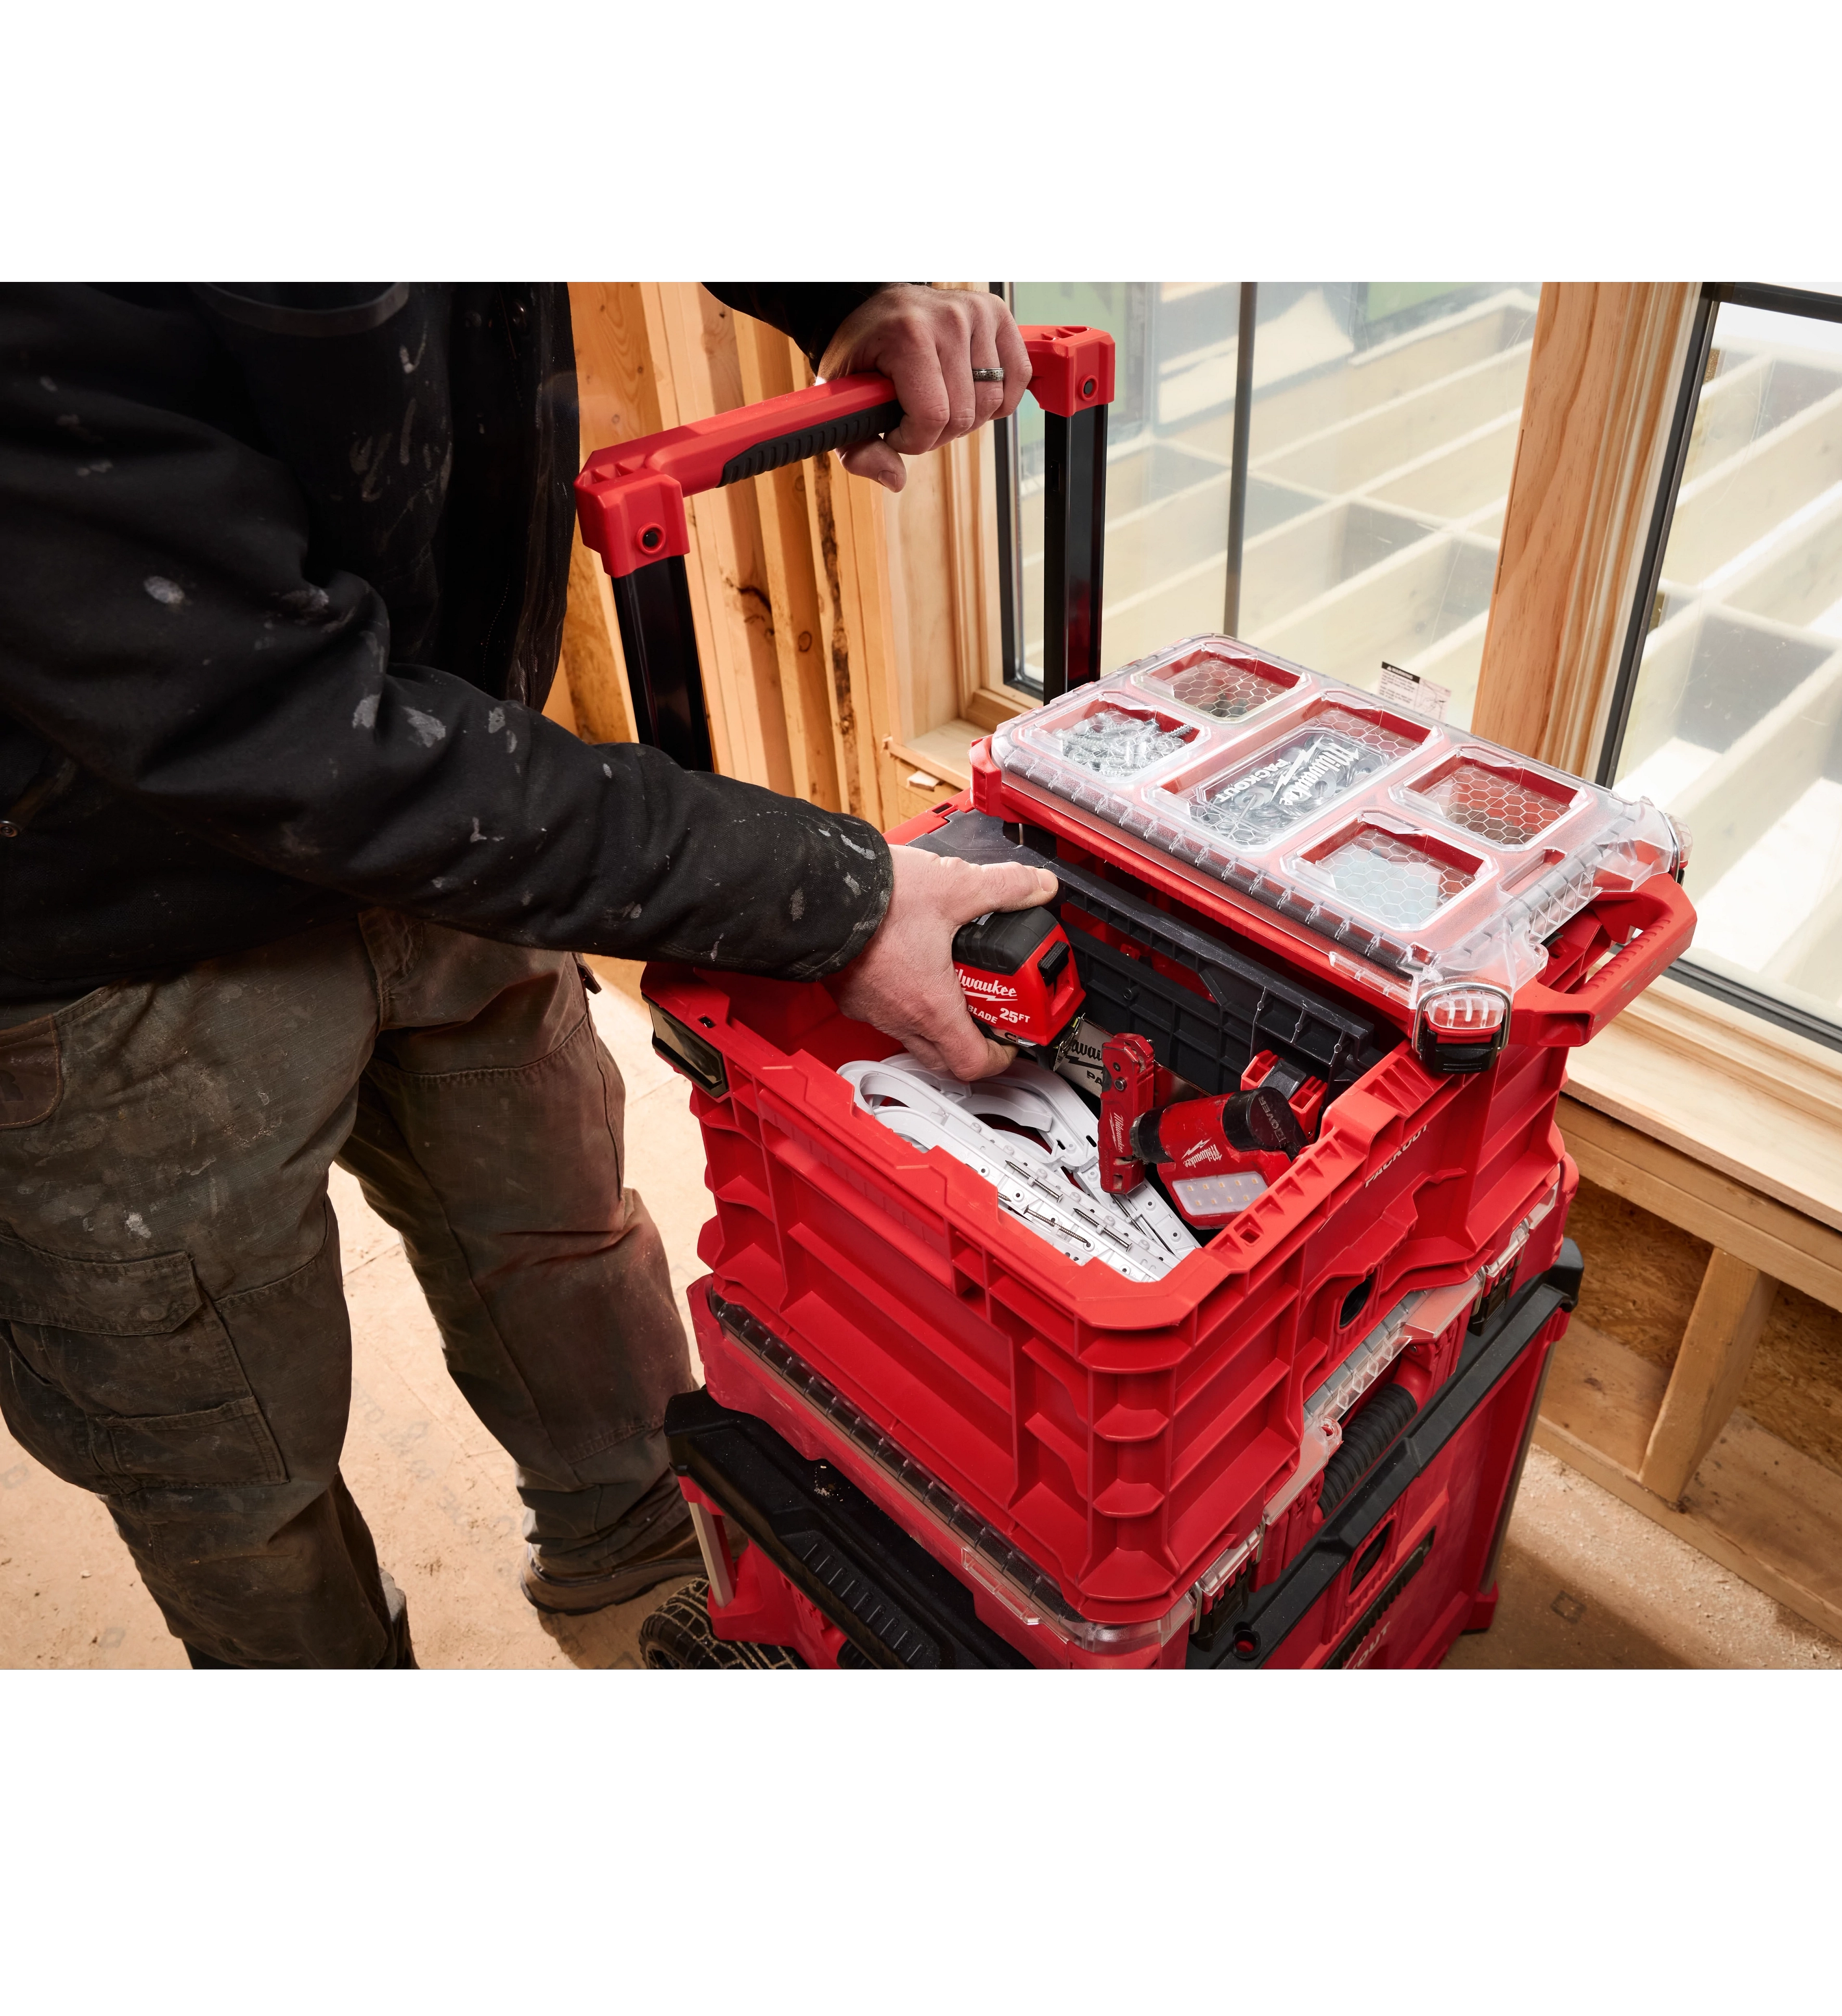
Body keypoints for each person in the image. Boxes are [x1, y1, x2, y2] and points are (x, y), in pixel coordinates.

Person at [0, 279, 1056, 1668]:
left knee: (562, 1246)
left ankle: (650, 1585)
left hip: (459, 802)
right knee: (226, 1469)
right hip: (104, 921)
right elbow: (272, 717)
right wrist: (830, 900)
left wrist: (839, 287)